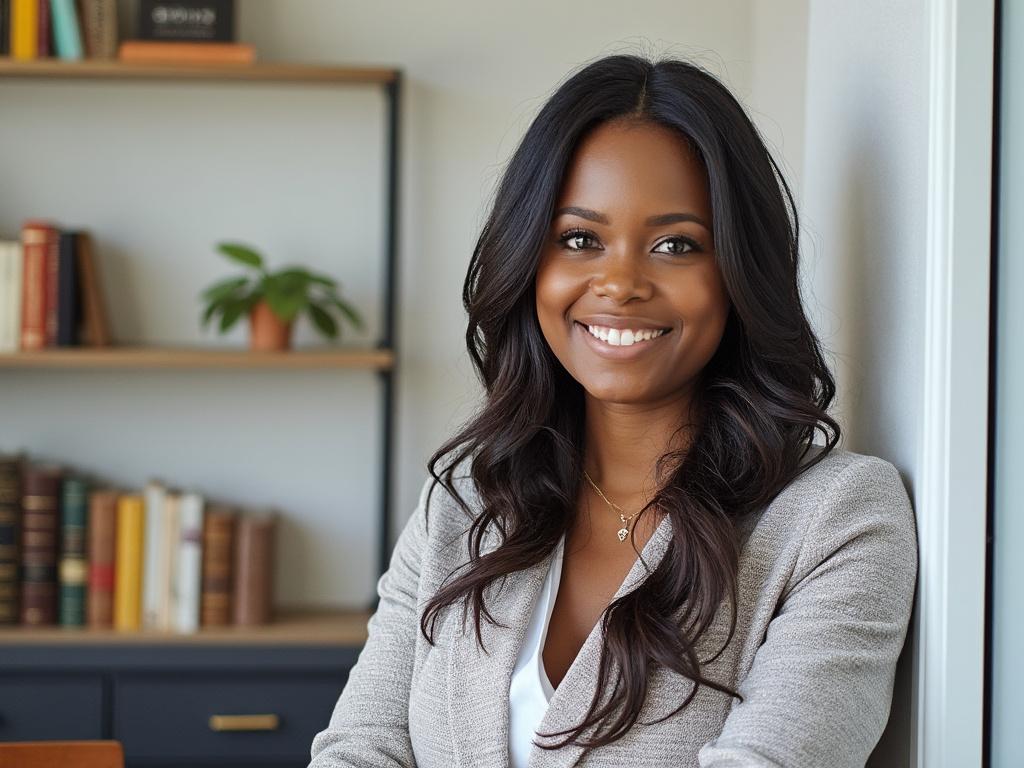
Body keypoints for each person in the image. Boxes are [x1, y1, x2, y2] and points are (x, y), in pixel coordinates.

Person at [308, 53, 919, 768]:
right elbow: (362, 746)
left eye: (675, 244)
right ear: (529, 262)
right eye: (579, 239)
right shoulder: (465, 503)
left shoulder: (838, 519)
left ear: (738, 271)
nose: (621, 282)